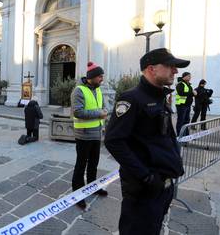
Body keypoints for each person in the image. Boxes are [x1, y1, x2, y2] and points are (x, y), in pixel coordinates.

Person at [105, 48, 189, 235]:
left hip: (162, 188)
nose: (175, 71)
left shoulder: (160, 97)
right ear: (151, 69)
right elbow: (113, 140)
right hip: (144, 190)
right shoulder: (131, 98)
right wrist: (146, 177)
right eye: (170, 66)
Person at [71, 62, 109, 210]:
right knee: (81, 165)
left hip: (96, 133)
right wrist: (99, 113)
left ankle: (93, 187)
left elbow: (104, 107)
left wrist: (104, 111)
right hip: (84, 135)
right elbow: (78, 112)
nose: (102, 79)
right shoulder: (78, 91)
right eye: (100, 76)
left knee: (94, 163)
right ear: (91, 77)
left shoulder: (98, 90)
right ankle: (77, 194)